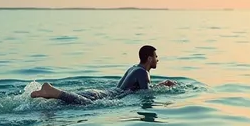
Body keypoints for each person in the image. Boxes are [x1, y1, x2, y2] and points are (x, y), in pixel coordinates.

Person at [30, 45, 176, 105]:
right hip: (106, 96)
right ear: (149, 58)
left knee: (71, 102)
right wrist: (163, 97)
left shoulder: (134, 68)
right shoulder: (143, 73)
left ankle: (47, 94)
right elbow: (146, 94)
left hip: (102, 92)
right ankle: (51, 91)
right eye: (156, 56)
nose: (158, 59)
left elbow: (138, 89)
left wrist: (160, 85)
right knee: (84, 105)